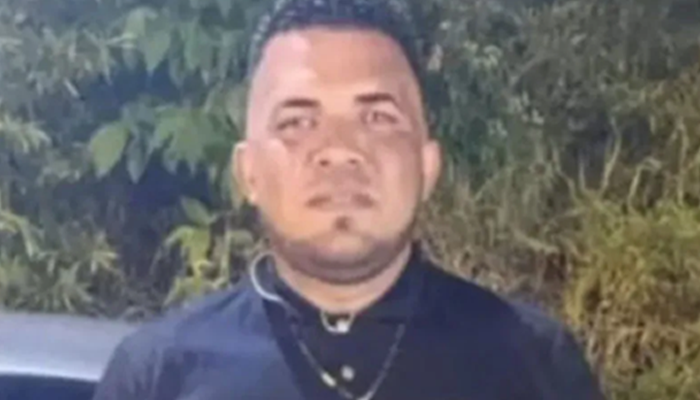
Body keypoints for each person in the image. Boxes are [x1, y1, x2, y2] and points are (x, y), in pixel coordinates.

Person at [92, 0, 606, 399]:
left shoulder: (535, 363)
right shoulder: (158, 375)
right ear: (248, 172)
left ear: (427, 166)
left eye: (377, 118)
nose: (339, 150)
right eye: (298, 122)